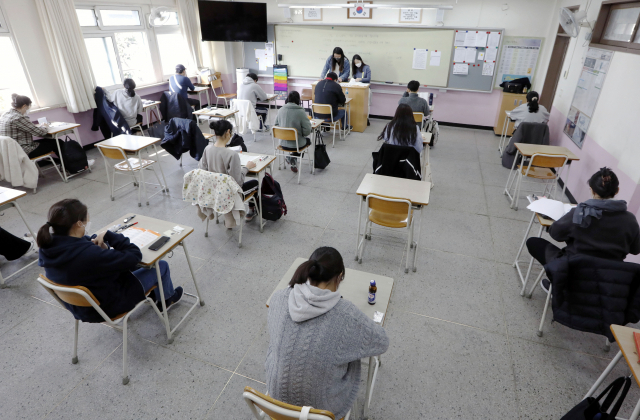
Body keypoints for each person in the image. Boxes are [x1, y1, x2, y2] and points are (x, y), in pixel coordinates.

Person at [266, 247, 389, 419]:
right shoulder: (346, 314)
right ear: (339, 278)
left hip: (277, 404)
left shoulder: (279, 298)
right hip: (322, 410)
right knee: (350, 353)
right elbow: (382, 342)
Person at [37, 199, 183, 322]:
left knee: (128, 266)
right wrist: (111, 236)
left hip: (80, 306)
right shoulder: (90, 255)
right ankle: (167, 300)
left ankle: (154, 291)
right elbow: (134, 256)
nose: (88, 222)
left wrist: (96, 241)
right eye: (86, 220)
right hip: (107, 305)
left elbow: (82, 245)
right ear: (78, 224)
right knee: (159, 266)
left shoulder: (47, 246)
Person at [526, 167, 640, 291]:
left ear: (591, 190)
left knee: (534, 242)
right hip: (609, 276)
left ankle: (559, 286)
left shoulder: (579, 213)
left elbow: (556, 234)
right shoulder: (630, 220)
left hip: (574, 270)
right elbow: (635, 249)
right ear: (617, 190)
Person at [198, 120, 259, 221]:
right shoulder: (232, 155)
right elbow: (238, 183)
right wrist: (246, 168)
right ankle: (252, 211)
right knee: (256, 183)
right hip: (229, 196)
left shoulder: (207, 149)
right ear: (228, 132)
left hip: (212, 193)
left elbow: (202, 170)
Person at [0, 94, 59, 162]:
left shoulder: (5, 114)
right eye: (29, 107)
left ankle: (68, 166)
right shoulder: (18, 118)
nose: (28, 109)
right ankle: (70, 168)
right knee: (56, 142)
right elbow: (40, 133)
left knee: (49, 142)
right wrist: (44, 126)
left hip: (10, 151)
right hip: (22, 151)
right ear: (24, 106)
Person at [274, 91, 311, 173]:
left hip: (282, 144)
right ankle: (293, 158)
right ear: (298, 100)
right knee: (308, 141)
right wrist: (302, 134)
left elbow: (275, 125)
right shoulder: (301, 112)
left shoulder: (280, 110)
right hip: (297, 145)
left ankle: (291, 158)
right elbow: (307, 130)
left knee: (298, 142)